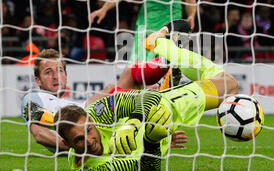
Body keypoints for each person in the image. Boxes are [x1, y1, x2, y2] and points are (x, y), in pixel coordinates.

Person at [54, 26, 239, 171]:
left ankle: (161, 47)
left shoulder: (97, 111)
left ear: (91, 121)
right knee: (227, 83)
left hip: (165, 105)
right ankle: (166, 55)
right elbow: (147, 169)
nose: (89, 140)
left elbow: (148, 98)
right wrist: (152, 141)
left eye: (88, 130)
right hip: (157, 131)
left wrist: (133, 123)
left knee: (229, 85)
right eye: (79, 139)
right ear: (67, 144)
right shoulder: (92, 168)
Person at [21, 45, 189, 154]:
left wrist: (159, 141)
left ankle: (165, 64)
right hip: (89, 125)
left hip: (95, 124)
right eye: (48, 72)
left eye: (59, 70)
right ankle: (160, 89)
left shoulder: (65, 103)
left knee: (129, 74)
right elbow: (39, 134)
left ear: (66, 74)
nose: (56, 76)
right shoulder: (33, 98)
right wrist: (69, 145)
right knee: (111, 90)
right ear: (38, 80)